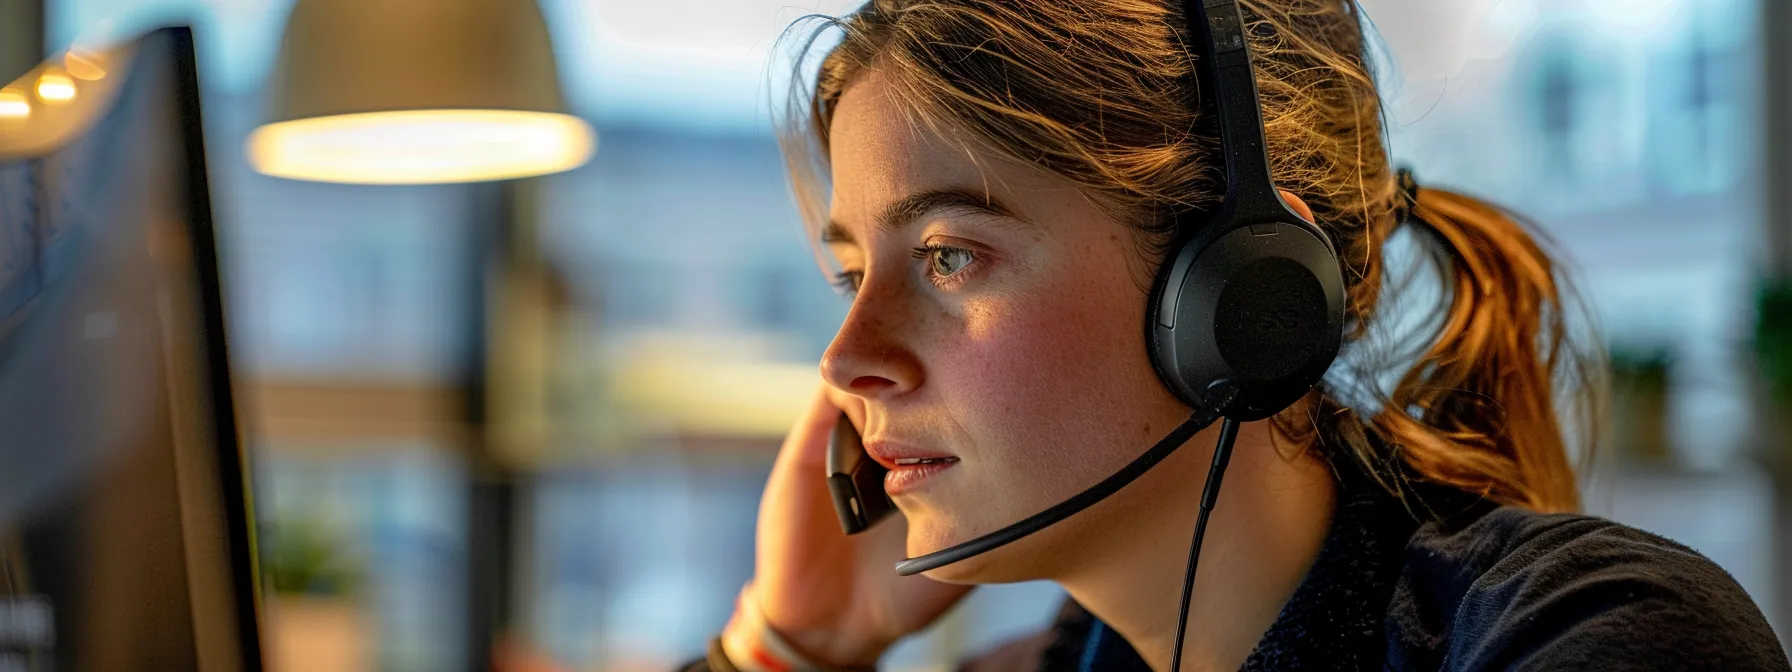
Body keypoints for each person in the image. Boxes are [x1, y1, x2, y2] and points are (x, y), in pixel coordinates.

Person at [680, 1, 1792, 670]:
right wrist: (789, 646)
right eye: (850, 273)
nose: (845, 361)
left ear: (1243, 293)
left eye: (947, 257)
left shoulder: (1586, 639)